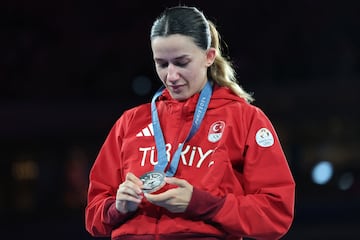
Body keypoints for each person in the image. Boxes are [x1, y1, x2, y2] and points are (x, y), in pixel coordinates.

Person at [85, 5, 295, 240]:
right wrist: (117, 208)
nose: (171, 76)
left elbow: (275, 214)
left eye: (182, 62)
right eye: (162, 64)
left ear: (208, 56)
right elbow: (93, 215)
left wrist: (202, 203)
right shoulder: (130, 122)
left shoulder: (245, 119)